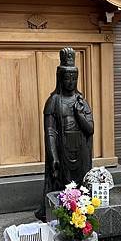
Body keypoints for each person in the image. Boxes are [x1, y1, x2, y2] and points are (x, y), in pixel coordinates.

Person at [35, 47, 94, 220]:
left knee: (81, 184)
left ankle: (80, 214)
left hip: (81, 149)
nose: (71, 81)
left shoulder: (81, 101)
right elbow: (50, 132)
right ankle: (62, 214)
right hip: (62, 149)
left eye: (74, 78)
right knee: (62, 182)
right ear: (60, 79)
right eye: (67, 78)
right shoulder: (53, 101)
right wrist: (53, 156)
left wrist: (79, 114)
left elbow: (90, 129)